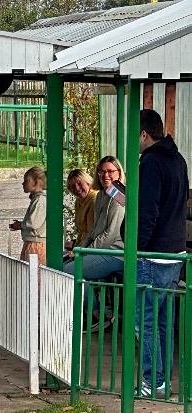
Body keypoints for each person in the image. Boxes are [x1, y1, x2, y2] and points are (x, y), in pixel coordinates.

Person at [131, 109, 188, 397]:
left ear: (144, 134)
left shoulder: (150, 163)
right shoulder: (178, 160)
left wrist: (136, 248)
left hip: (151, 255)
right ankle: (162, 379)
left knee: (145, 321)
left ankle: (153, 380)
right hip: (175, 252)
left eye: (134, 135)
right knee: (163, 321)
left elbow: (147, 211)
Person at [63, 157, 126, 330]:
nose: (106, 175)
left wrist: (85, 251)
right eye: (102, 171)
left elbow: (111, 234)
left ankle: (97, 316)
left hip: (117, 252)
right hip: (103, 250)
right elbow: (95, 230)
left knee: (71, 270)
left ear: (119, 173)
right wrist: (80, 248)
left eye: (110, 171)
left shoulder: (119, 196)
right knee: (62, 262)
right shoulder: (102, 196)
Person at [9, 166, 47, 267]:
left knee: (35, 275)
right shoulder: (37, 199)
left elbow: (33, 223)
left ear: (35, 182)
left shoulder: (40, 200)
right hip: (32, 242)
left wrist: (21, 225)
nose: (23, 183)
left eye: (26, 180)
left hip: (36, 243)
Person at [66, 169, 98, 249]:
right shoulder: (79, 201)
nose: (77, 188)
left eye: (80, 184)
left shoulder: (94, 199)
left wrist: (77, 249)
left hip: (92, 248)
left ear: (88, 183)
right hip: (82, 246)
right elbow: (82, 230)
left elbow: (91, 233)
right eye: (72, 186)